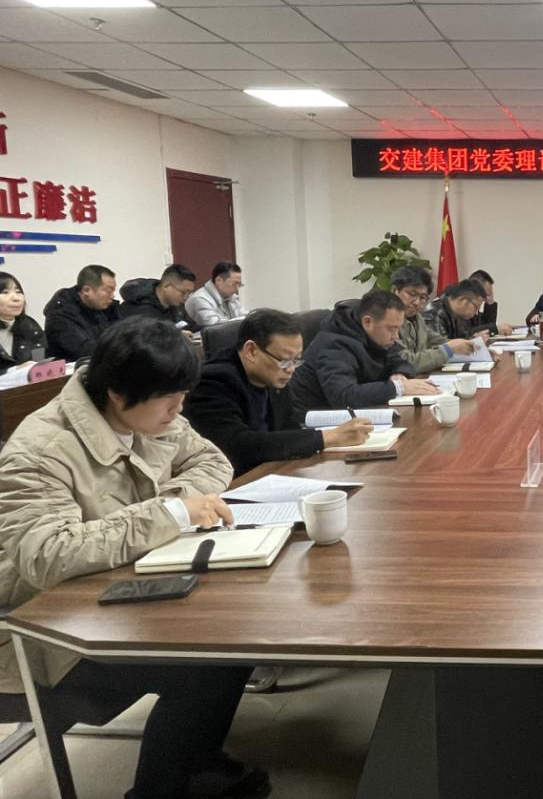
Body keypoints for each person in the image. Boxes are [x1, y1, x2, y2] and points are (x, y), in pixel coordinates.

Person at [0, 319, 270, 799]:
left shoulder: (147, 411)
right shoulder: (41, 450)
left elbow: (213, 461)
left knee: (241, 628)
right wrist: (170, 514)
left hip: (116, 592)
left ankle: (195, 763)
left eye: (182, 396)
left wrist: (172, 507)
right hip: (41, 630)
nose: (179, 409)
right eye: (170, 399)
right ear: (118, 394)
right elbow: (47, 555)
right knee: (207, 659)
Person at [184, 309, 373, 476]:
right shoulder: (213, 381)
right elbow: (238, 446)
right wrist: (330, 437)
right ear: (251, 351)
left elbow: (288, 427)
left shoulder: (273, 377)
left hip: (270, 472)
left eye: (296, 360)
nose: (291, 369)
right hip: (232, 484)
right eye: (285, 360)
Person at [289, 291, 438, 421]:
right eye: (392, 329)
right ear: (367, 322)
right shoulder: (334, 344)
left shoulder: (377, 337)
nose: (396, 336)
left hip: (359, 415)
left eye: (398, 329)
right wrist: (398, 387)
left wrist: (399, 373)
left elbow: (400, 360)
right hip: (319, 422)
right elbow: (344, 396)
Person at [390, 266, 477, 374]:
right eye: (412, 294)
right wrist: (449, 349)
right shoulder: (386, 321)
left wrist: (471, 347)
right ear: (395, 290)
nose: (417, 302)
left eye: (422, 298)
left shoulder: (418, 318)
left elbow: (434, 340)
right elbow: (405, 363)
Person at [42, 264, 120, 362]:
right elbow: (86, 351)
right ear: (86, 290)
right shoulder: (60, 315)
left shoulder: (106, 309)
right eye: (108, 291)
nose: (112, 296)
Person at [118, 263, 200, 332]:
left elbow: (191, 327)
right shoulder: (141, 307)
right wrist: (177, 335)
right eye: (183, 292)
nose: (186, 297)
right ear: (166, 286)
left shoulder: (176, 304)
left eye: (189, 293)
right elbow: (148, 338)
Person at [0, 272, 47, 375]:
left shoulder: (31, 326)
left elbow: (40, 361)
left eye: (18, 292)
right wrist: (14, 370)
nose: (16, 298)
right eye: (5, 292)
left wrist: (37, 366)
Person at [185, 261, 248, 327]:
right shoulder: (199, 299)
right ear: (218, 280)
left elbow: (245, 317)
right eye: (234, 284)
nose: (237, 289)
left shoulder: (232, 298)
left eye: (239, 284)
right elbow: (215, 327)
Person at [424, 279, 488, 341]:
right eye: (476, 307)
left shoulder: (458, 315)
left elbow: (462, 337)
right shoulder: (435, 313)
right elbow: (440, 345)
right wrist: (472, 340)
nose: (476, 312)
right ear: (463, 301)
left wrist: (474, 339)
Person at [468, 269, 514, 335]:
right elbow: (467, 332)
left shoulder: (476, 312)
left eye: (490, 294)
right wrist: (495, 328)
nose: (485, 299)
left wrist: (490, 302)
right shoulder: (462, 310)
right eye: (486, 295)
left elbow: (486, 326)